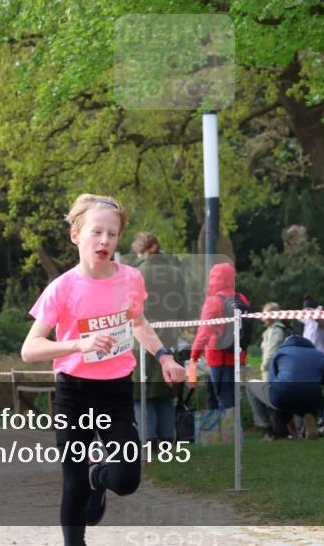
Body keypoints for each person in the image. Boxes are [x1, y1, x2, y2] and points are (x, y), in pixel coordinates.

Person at [21, 194, 186, 546]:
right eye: (97, 232)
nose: (105, 241)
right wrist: (79, 344)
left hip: (115, 392)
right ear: (76, 235)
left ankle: (102, 479)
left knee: (127, 479)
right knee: (73, 482)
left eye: (112, 234)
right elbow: (29, 349)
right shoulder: (62, 288)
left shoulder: (130, 279)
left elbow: (138, 323)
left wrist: (165, 356)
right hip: (73, 392)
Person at [130, 232, 187, 444]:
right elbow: (183, 311)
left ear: (138, 249)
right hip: (169, 340)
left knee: (142, 395)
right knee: (165, 393)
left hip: (140, 341)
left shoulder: (134, 274)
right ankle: (166, 440)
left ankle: (148, 441)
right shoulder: (176, 273)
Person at [188, 263, 249, 410]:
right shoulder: (242, 299)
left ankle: (230, 432)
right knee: (234, 400)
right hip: (237, 356)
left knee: (224, 400)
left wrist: (193, 358)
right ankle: (237, 430)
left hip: (218, 358)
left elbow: (203, 334)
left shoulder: (213, 301)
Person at [268, 333, 324, 440]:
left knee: (254, 387)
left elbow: (272, 382)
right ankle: (309, 429)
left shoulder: (279, 353)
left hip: (284, 396)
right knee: (304, 401)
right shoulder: (321, 356)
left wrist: (286, 417)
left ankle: (269, 428)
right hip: (312, 401)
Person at [247, 302, 292, 439]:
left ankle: (268, 428)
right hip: (276, 374)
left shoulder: (276, 330)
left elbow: (271, 353)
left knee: (264, 397)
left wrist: (263, 366)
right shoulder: (275, 330)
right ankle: (277, 429)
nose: (262, 317)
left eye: (265, 314)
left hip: (272, 373)